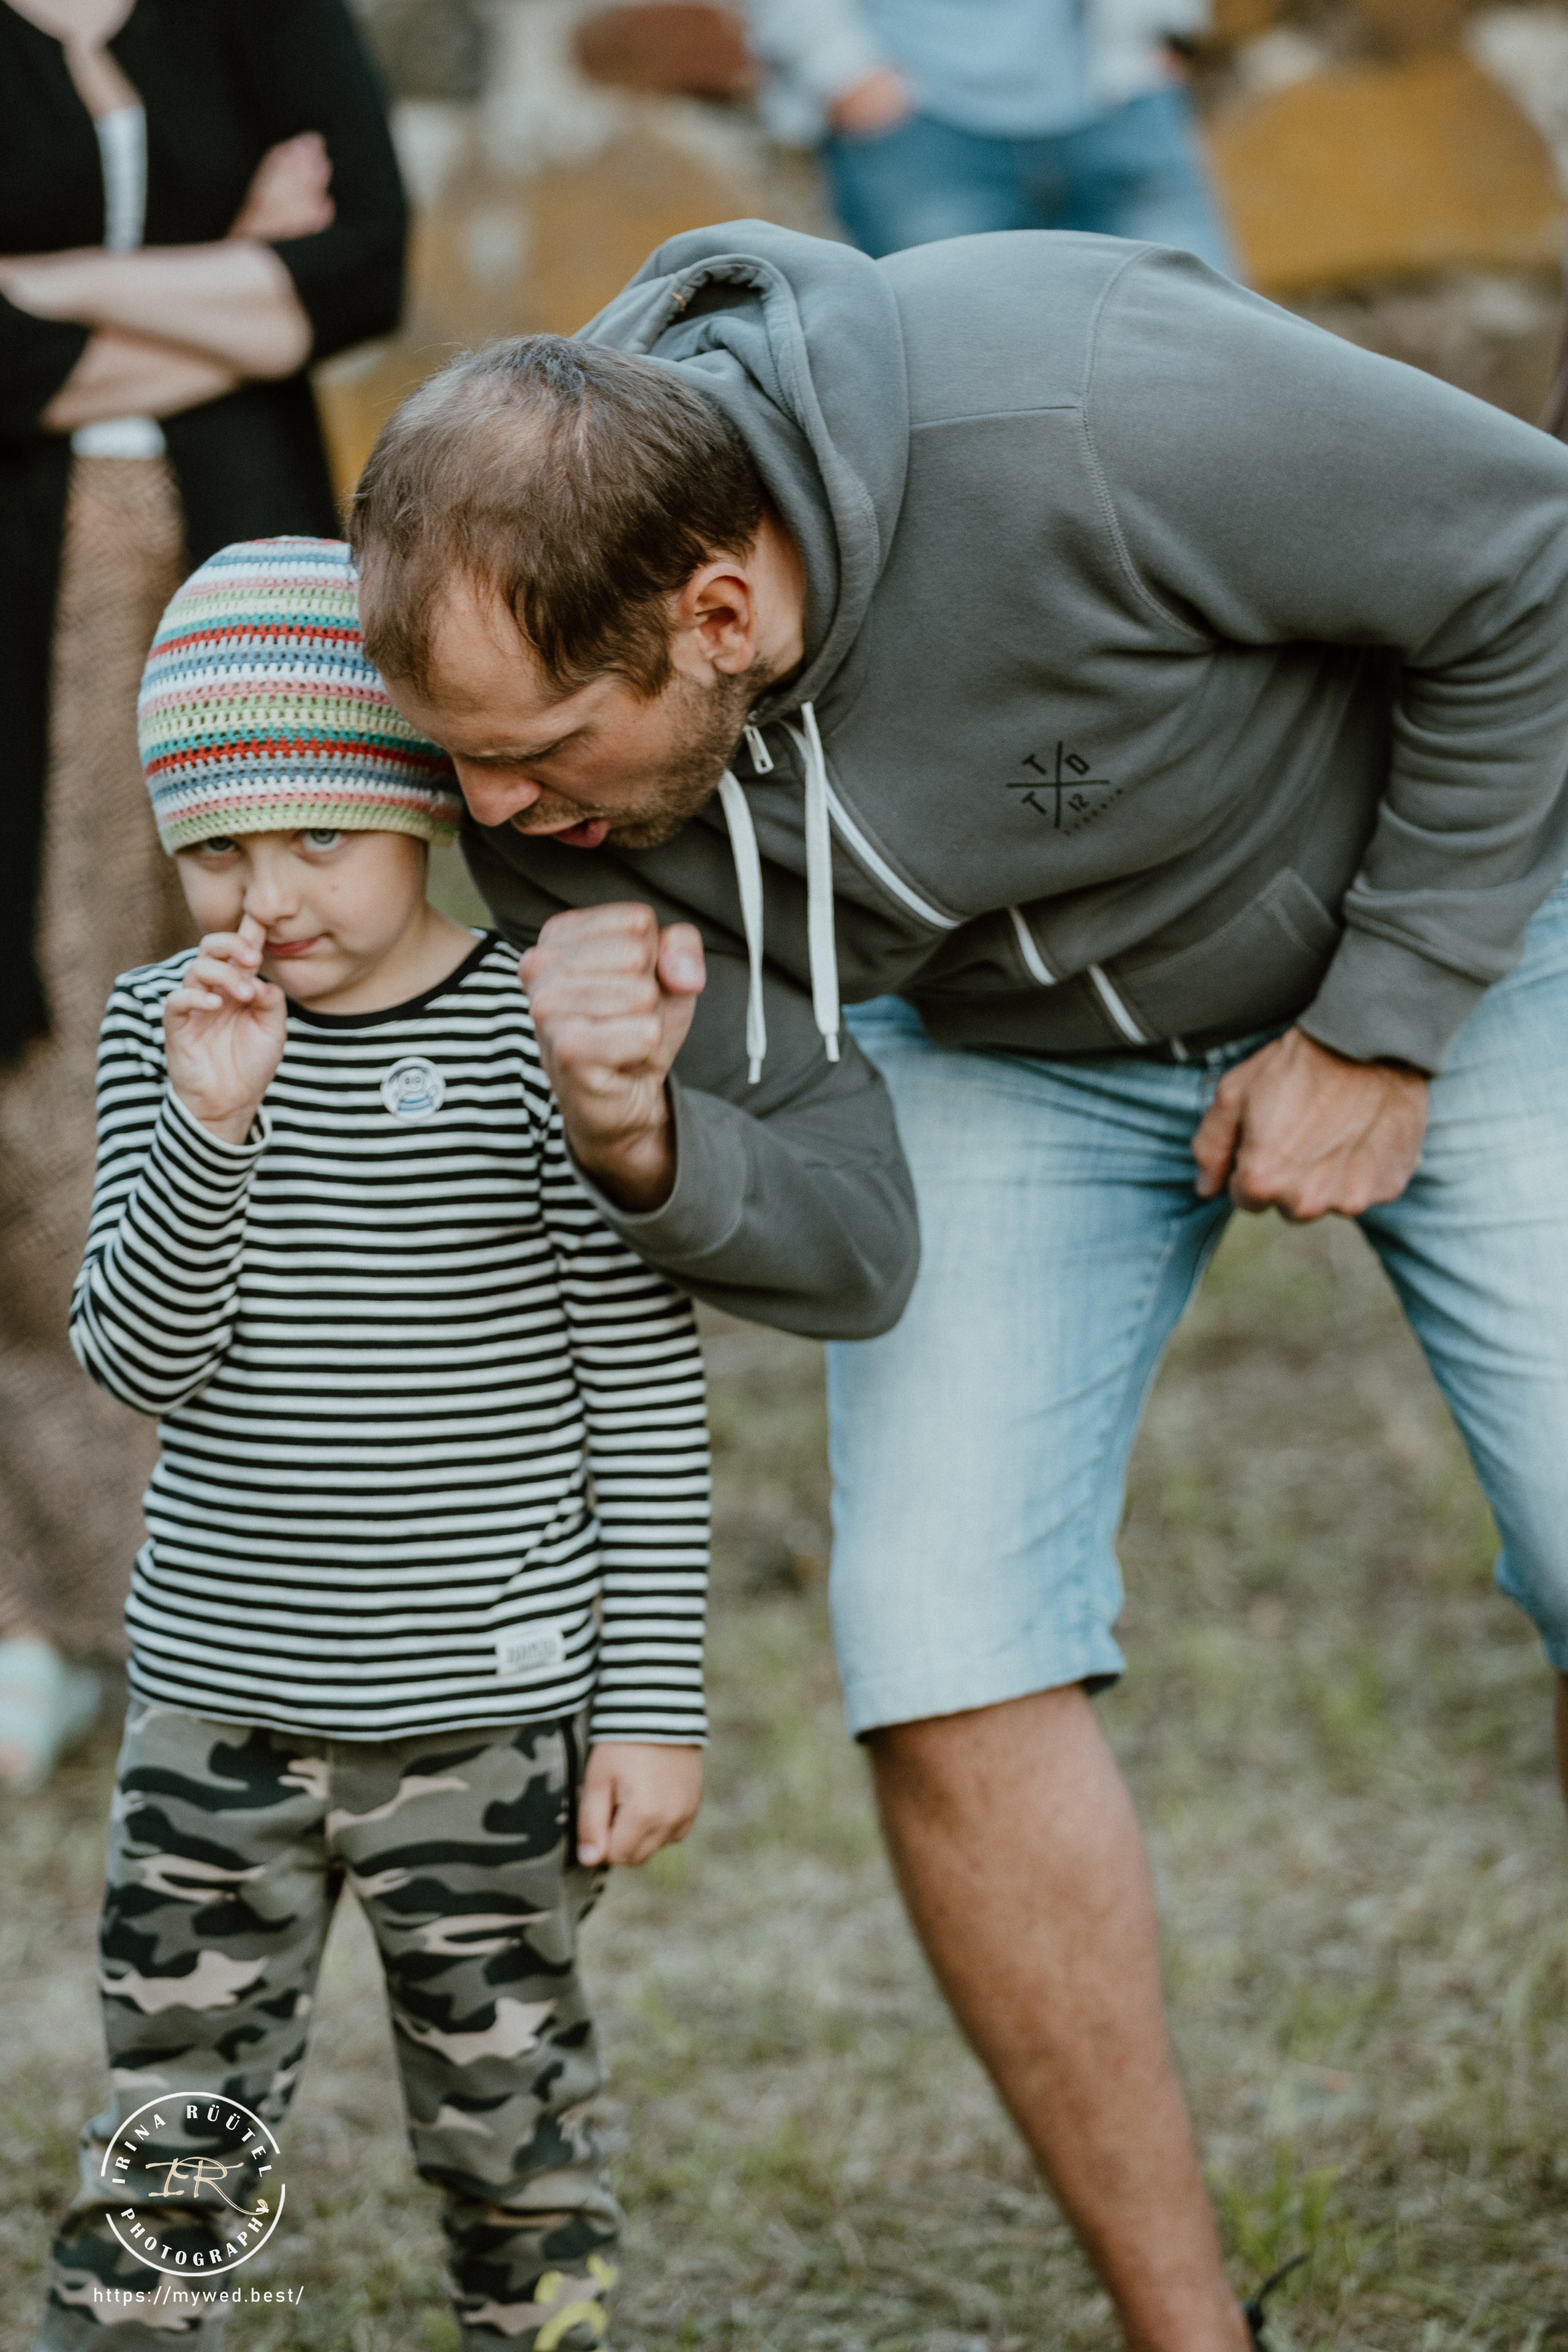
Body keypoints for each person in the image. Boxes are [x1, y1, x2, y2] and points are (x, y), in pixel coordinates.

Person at [345, 221, 1568, 2351]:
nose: (489, 813)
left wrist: (1382, 1026)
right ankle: (1188, 2336)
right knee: (936, 1632)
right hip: (1006, 1047)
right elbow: (848, 1238)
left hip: (1447, 934)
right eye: (452, 757)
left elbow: (1534, 559)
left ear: (718, 611)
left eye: (533, 747)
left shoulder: (1078, 395)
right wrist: (641, 1140)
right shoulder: (547, 789)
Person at [32, 539, 709, 2352]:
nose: (268, 897)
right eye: (217, 849)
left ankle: (537, 2325)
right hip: (217, 1706)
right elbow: (137, 1357)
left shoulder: (533, 1031)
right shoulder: (166, 1031)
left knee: (508, 2111)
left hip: (481, 1717)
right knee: (179, 2101)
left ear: (418, 800)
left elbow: (641, 1387)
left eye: (320, 835)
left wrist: (649, 1700)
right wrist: (214, 1131)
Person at [0, 0, 408, 1790]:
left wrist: (48, 289)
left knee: (307, 1035)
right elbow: (282, 304)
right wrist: (229, 280)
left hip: (254, 585)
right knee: (45, 1067)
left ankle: (315, 1573)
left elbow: (362, 268)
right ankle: (52, 1604)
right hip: (32, 612)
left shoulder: (259, 8)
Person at [741, 0, 1235, 268]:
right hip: (917, 133)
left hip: (1119, 96)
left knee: (1207, 352)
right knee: (963, 382)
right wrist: (839, 70)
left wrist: (1165, 24)